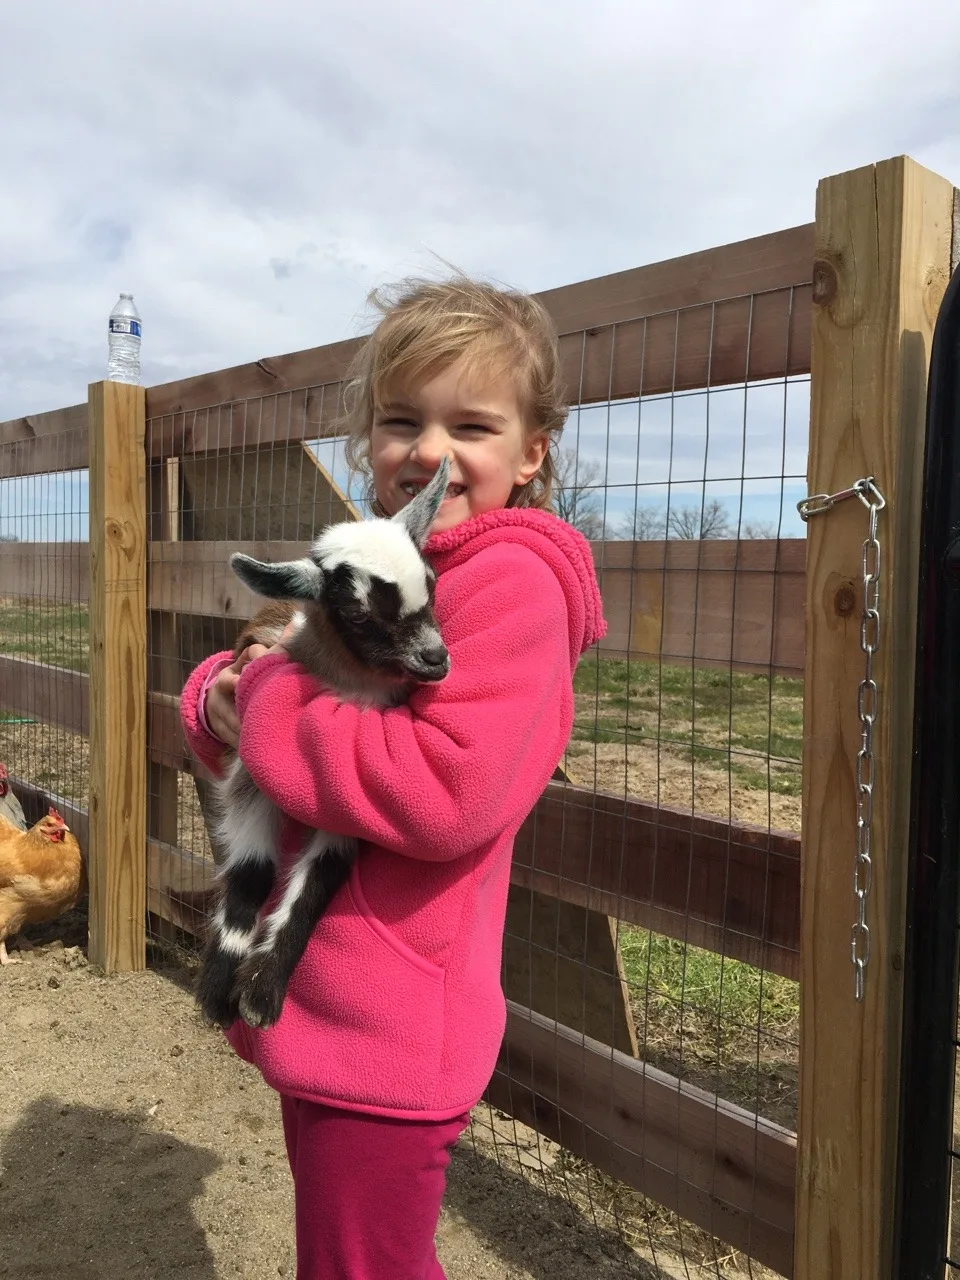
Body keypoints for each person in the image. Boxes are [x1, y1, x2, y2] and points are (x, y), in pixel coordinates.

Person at [180, 275, 606, 1280]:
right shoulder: (382, 557)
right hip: (326, 993)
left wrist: (270, 696)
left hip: (390, 1021)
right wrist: (219, 695)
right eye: (402, 419)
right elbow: (268, 660)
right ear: (364, 441)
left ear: (532, 450)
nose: (430, 450)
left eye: (473, 423)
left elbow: (442, 789)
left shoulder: (509, 587)